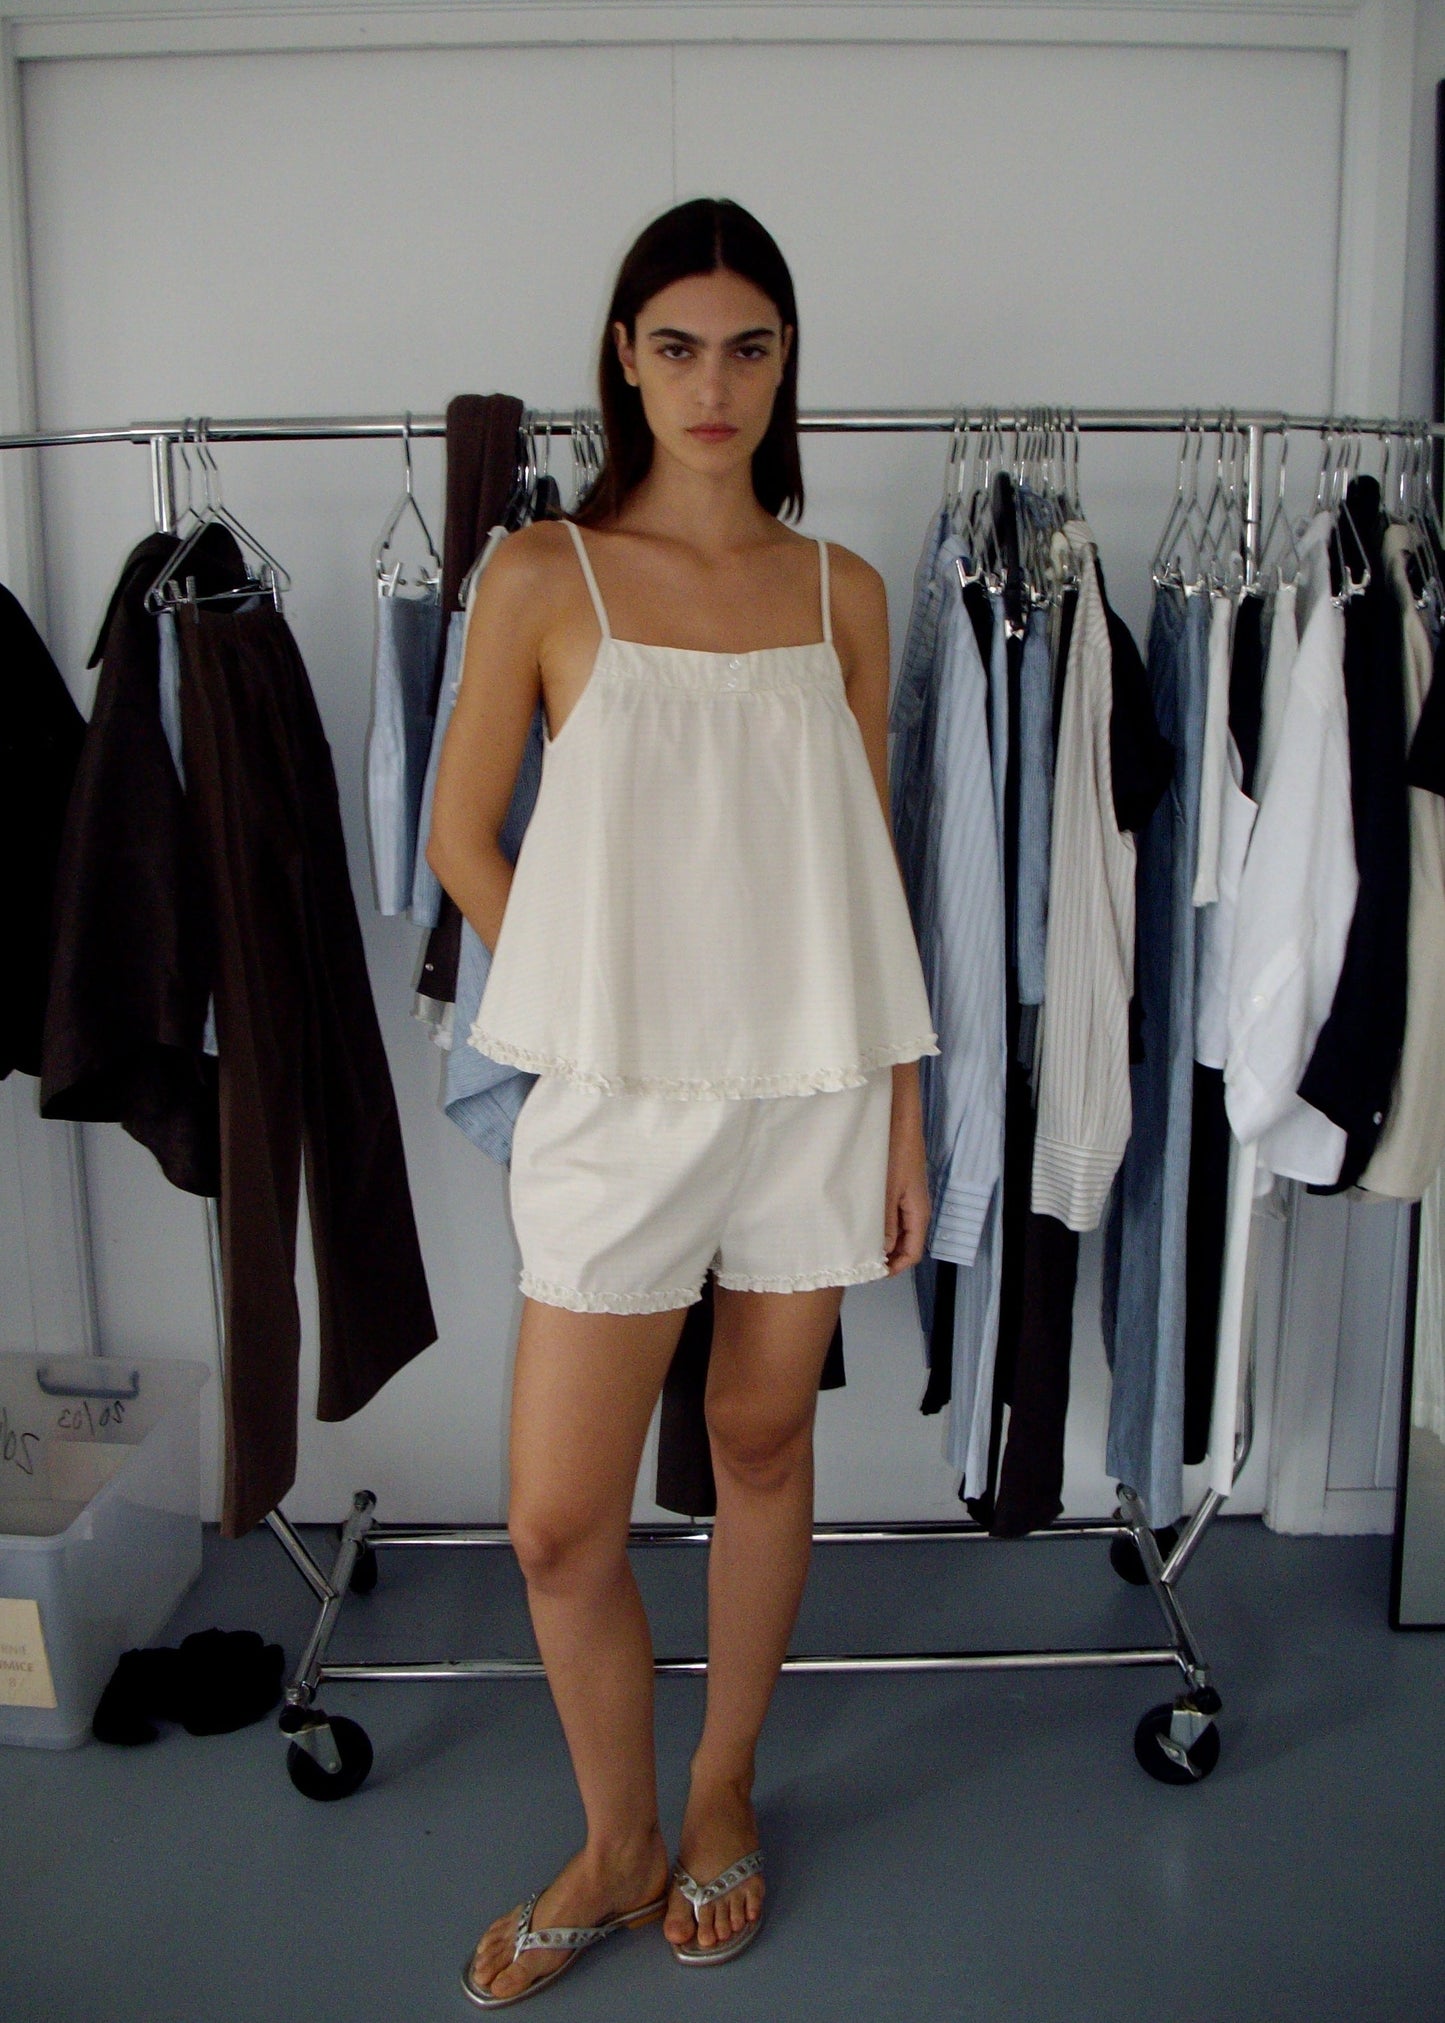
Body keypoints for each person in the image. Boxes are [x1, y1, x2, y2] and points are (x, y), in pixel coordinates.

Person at [428, 196, 937, 2008]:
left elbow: (860, 874)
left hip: (811, 1091)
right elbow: (458, 841)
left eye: (748, 346)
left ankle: (718, 1793)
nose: (711, 384)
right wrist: (588, 1005)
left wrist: (900, 1117)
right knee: (557, 1522)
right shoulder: (543, 575)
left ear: (786, 363)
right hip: (617, 1106)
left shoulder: (841, 592)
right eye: (675, 345)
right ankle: (615, 1832)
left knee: (764, 1447)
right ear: (622, 360)